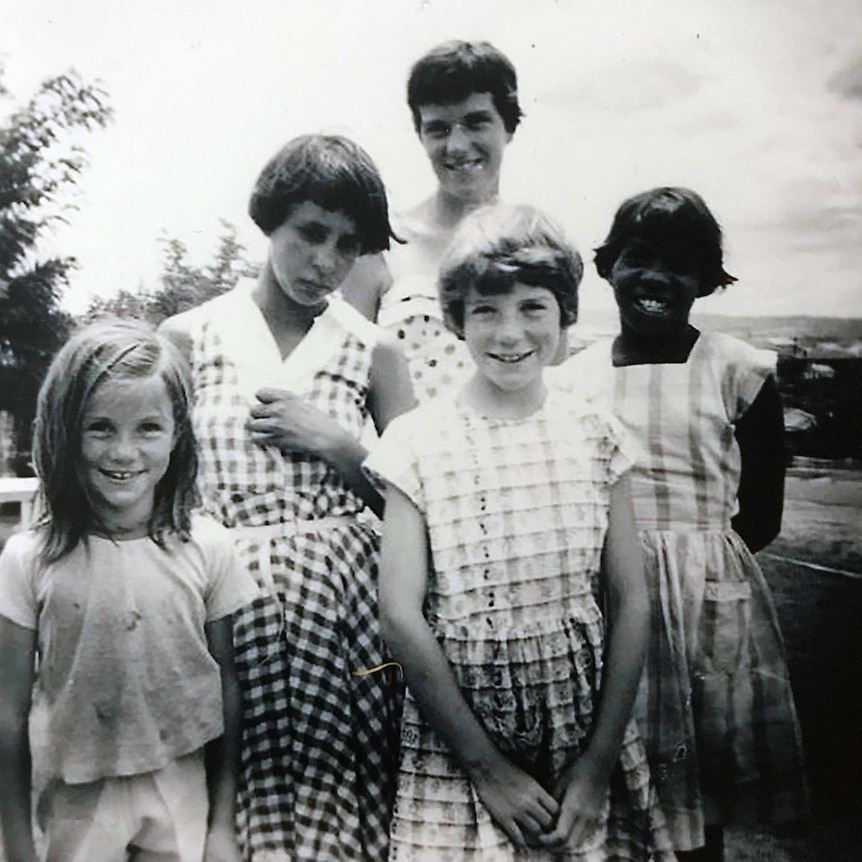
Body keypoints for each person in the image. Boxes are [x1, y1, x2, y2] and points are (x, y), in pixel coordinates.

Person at [365, 204, 675, 860]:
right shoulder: (415, 441)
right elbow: (399, 616)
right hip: (458, 740)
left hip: (581, 727)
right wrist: (487, 770)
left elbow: (631, 600)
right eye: (486, 311)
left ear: (564, 313)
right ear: (456, 320)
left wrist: (595, 765)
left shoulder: (596, 433)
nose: (510, 333)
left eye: (533, 307)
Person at [160, 134, 416, 861]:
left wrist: (342, 448)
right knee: (222, 812)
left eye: (349, 244)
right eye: (310, 234)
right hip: (219, 607)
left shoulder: (374, 349)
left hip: (339, 618)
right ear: (271, 220)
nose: (326, 262)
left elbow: (419, 505)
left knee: (339, 811)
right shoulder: (190, 336)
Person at [552, 187, 808, 861]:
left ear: (706, 279)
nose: (658, 277)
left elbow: (762, 514)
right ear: (608, 268)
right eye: (639, 258)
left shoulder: (737, 371)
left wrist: (690, 569)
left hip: (706, 613)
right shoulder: (574, 381)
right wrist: (628, 573)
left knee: (696, 795)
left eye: (681, 263)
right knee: (609, 789)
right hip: (606, 604)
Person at [0, 319, 257, 862]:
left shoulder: (208, 548)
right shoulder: (29, 559)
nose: (124, 452)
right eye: (100, 428)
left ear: (177, 433)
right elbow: (9, 711)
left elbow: (226, 686)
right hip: (74, 795)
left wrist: (222, 823)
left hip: (178, 784)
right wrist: (17, 842)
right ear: (67, 430)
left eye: (147, 428)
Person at [341, 40, 544, 401]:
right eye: (439, 128)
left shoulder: (539, 244)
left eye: (476, 122)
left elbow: (554, 382)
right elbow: (347, 382)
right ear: (421, 134)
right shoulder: (383, 244)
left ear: (509, 127)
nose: (457, 146)